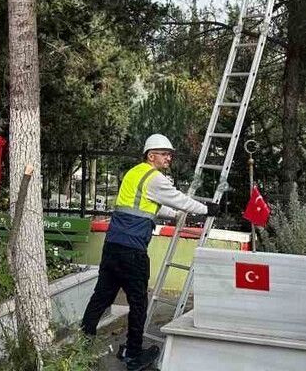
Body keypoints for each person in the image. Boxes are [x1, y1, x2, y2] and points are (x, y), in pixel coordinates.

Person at [81, 133, 219, 370]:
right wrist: (208, 209)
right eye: (165, 154)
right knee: (138, 303)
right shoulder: (155, 178)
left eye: (170, 155)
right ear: (151, 155)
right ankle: (134, 354)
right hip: (133, 249)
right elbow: (180, 200)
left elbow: (142, 205)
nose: (169, 158)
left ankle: (83, 345)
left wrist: (173, 215)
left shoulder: (134, 173)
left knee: (101, 296)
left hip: (113, 244)